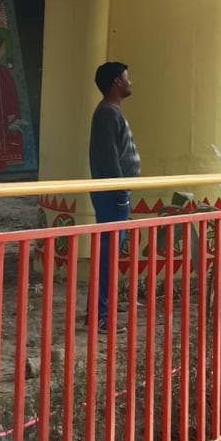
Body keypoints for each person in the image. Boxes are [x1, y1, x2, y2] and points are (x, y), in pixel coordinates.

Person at [89, 61, 141, 328]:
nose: (130, 82)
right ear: (115, 83)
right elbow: (109, 159)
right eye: (126, 78)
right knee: (108, 256)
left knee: (108, 254)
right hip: (113, 195)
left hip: (115, 193)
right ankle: (101, 316)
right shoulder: (108, 114)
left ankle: (100, 309)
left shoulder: (111, 112)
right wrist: (120, 190)